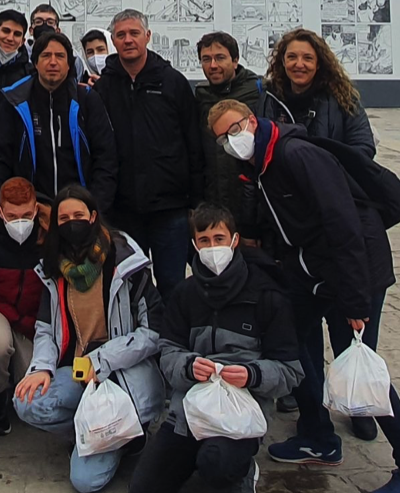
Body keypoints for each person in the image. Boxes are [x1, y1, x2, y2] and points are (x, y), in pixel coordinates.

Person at [206, 101, 400, 493]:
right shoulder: (260, 164)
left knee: (360, 364)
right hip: (313, 271)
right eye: (221, 140)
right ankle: (318, 435)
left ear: (252, 121)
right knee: (290, 342)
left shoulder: (297, 155)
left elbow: (343, 224)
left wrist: (355, 300)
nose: (231, 142)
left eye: (234, 130)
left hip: (354, 270)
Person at [128, 204, 303, 493]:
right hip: (189, 410)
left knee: (216, 464)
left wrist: (252, 374)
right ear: (195, 245)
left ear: (234, 240)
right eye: (204, 240)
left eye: (219, 239)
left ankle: (241, 470)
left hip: (241, 410)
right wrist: (188, 366)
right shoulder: (185, 294)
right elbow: (168, 352)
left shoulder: (266, 295)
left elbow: (290, 371)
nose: (212, 247)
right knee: (144, 488)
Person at [13, 185, 164, 493]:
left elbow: (152, 333)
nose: (72, 223)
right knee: (26, 401)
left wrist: (102, 359)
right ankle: (95, 431)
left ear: (93, 216)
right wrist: (41, 368)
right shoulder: (54, 268)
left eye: (78, 215)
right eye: (64, 218)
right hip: (77, 373)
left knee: (85, 483)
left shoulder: (126, 263)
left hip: (122, 376)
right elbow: (45, 329)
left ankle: (125, 436)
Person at [95, 9, 204, 300]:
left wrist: (196, 201)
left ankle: (173, 331)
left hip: (170, 208)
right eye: (121, 35)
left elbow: (193, 142)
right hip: (124, 209)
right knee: (131, 286)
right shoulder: (104, 87)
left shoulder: (173, 82)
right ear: (113, 41)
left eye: (134, 33)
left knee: (173, 285)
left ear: (148, 36)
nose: (128, 40)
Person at [0, 30, 118, 222]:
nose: (53, 62)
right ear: (35, 62)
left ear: (69, 64)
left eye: (60, 56)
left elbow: (105, 159)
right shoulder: (15, 101)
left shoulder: (87, 100)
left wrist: (95, 209)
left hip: (79, 212)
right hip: (29, 212)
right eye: (46, 55)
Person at [0, 177, 45, 436]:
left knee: (34, 383)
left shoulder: (47, 238)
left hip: (32, 316)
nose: (20, 222)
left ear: (36, 209)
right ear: (0, 212)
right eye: (12, 216)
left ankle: (17, 390)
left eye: (26, 215)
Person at [263, 28, 376, 158]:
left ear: (318, 64)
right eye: (292, 57)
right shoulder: (268, 98)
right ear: (283, 61)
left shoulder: (343, 99)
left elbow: (364, 147)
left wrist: (325, 163)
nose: (299, 64)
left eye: (308, 58)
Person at [195, 32, 266, 235]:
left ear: (235, 60)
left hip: (252, 204)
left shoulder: (259, 93)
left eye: (220, 58)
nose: (213, 65)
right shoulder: (201, 97)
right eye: (206, 59)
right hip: (214, 202)